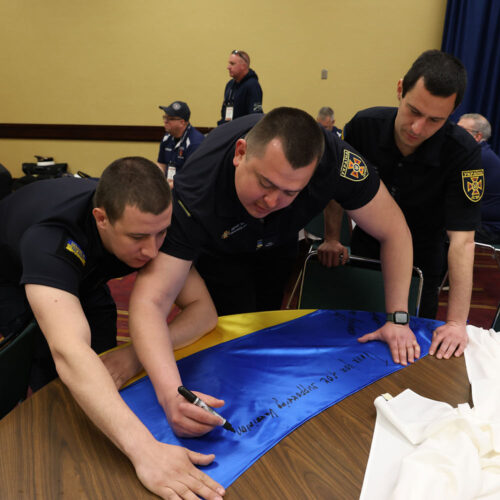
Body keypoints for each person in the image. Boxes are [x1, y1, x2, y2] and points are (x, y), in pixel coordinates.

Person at [128, 106, 419, 443]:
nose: (271, 199)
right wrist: (169, 394)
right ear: (240, 154)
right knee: (228, 339)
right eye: (265, 183)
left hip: (278, 242)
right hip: (220, 248)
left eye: (290, 192)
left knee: (265, 325)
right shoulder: (197, 186)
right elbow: (152, 299)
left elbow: (395, 231)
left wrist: (398, 317)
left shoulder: (335, 161)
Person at [0, 157, 225, 500]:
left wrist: (133, 355)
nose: (153, 251)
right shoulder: (51, 238)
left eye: (162, 233)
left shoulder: (148, 221)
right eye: (138, 237)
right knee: (57, 381)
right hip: (12, 273)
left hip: (87, 272)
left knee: (108, 373)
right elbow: (70, 351)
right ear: (101, 219)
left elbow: (203, 312)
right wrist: (147, 452)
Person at [320, 50, 483, 361]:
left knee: (410, 356)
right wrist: (331, 238)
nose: (417, 128)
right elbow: (336, 191)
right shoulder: (363, 126)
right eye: (413, 111)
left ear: (452, 112)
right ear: (399, 90)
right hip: (365, 254)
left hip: (422, 265)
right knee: (353, 346)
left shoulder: (462, 153)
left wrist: (456, 322)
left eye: (435, 119)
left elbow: (462, 241)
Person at [458, 113, 500, 244]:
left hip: (488, 229)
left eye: (461, 130)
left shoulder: (477, 158)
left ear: (478, 136)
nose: (455, 134)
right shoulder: (482, 153)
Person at [157, 101, 205, 184]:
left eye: (170, 119)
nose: (165, 121)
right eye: (165, 117)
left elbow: (192, 177)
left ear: (182, 122)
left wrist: (167, 187)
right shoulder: (167, 138)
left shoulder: (195, 142)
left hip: (187, 189)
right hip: (170, 187)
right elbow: (161, 164)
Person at [217, 50, 263, 125]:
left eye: (232, 64)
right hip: (228, 128)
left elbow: (255, 117)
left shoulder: (253, 86)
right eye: (229, 63)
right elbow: (224, 113)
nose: (228, 67)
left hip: (242, 132)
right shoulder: (230, 85)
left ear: (243, 66)